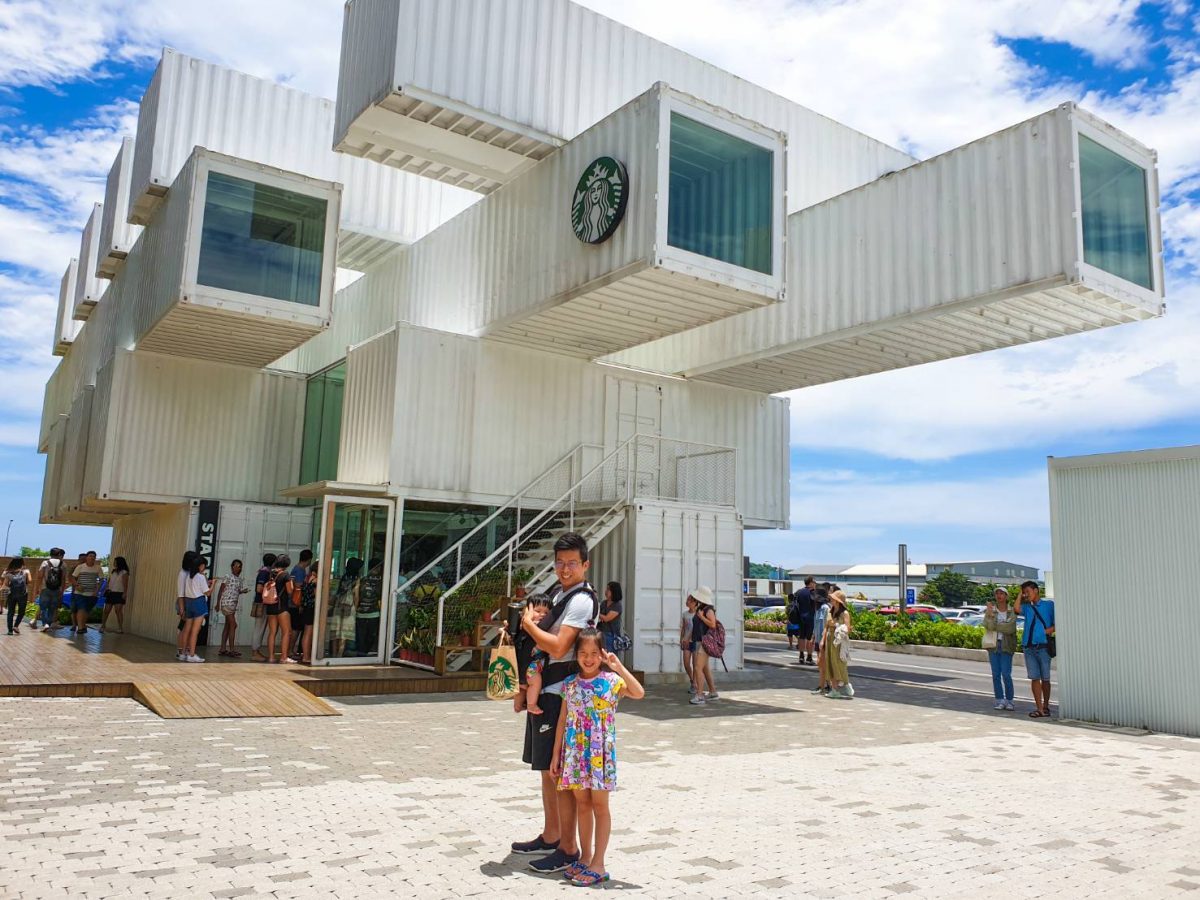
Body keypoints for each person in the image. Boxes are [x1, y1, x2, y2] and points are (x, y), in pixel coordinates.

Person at [512, 532, 600, 875]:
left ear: (585, 564)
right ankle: (551, 835)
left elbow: (560, 647)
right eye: (560, 562)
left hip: (562, 694)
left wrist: (528, 626)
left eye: (572, 563)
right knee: (546, 770)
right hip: (545, 690)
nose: (565, 569)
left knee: (559, 771)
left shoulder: (580, 600)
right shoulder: (559, 594)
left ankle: (567, 847)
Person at [550, 628, 645, 886]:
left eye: (594, 653)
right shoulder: (569, 684)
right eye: (583, 653)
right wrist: (556, 755)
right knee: (582, 804)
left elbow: (638, 692)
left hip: (600, 756)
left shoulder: (611, 681)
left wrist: (618, 667)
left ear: (602, 654)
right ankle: (586, 857)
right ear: (576, 654)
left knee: (600, 806)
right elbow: (562, 721)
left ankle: (599, 864)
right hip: (576, 754)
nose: (589, 658)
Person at [1015, 580, 1055, 718]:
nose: (1026, 595)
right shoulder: (1027, 607)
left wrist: (1050, 629)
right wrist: (1020, 594)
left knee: (1045, 679)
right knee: (1034, 678)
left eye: (1028, 592)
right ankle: (1039, 708)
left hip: (1043, 646)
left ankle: (1046, 706)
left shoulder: (1048, 605)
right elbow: (1016, 609)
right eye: (1024, 592)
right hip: (1029, 647)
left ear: (1036, 590)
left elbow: (1059, 621)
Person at [514, 593, 554, 715]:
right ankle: (530, 705)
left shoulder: (533, 626)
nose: (542, 615)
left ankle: (520, 705)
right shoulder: (527, 625)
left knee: (524, 687)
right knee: (534, 683)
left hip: (524, 666)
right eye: (538, 611)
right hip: (529, 666)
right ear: (528, 611)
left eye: (546, 612)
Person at [983, 587, 1018, 711]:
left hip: (1007, 645)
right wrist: (992, 616)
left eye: (1002, 593)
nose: (999, 595)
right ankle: (999, 700)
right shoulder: (991, 610)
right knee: (996, 674)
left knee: (1006, 674)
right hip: (993, 645)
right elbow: (988, 626)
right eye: (997, 593)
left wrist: (997, 626)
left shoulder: (1011, 610)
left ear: (1006, 596)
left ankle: (1010, 701)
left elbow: (1011, 629)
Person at [688, 586, 719, 705]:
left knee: (697, 668)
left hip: (705, 643)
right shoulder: (701, 608)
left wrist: (701, 617)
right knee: (705, 669)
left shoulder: (708, 610)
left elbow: (713, 624)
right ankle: (713, 692)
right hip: (699, 642)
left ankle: (700, 695)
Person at [180, 555, 213, 662]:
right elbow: (208, 593)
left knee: (187, 629)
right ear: (201, 566)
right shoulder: (201, 576)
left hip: (189, 603)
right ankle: (192, 654)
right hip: (199, 602)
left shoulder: (189, 575)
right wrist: (214, 584)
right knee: (195, 631)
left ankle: (183, 653)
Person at [328, 558, 362, 658]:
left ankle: (333, 655)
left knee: (335, 633)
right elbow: (356, 595)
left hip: (338, 606)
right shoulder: (356, 579)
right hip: (349, 608)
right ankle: (339, 656)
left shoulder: (343, 577)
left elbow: (336, 593)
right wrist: (356, 607)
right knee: (344, 635)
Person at [823, 590, 854, 699]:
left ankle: (846, 683)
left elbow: (848, 628)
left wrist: (836, 625)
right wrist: (823, 639)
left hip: (839, 640)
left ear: (837, 601)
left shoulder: (844, 613)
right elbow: (826, 626)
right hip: (830, 638)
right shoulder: (830, 611)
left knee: (840, 663)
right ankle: (834, 689)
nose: (830, 600)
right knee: (830, 663)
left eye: (833, 599)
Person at [265, 555, 295, 664]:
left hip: (271, 606)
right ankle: (284, 657)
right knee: (286, 632)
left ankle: (271, 657)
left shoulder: (272, 573)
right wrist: (292, 583)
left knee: (272, 632)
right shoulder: (285, 575)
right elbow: (290, 591)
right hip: (281, 607)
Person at [216, 559, 250, 657]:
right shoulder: (227, 576)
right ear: (232, 567)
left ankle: (223, 648)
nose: (237, 568)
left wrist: (243, 591)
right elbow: (221, 590)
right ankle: (232, 649)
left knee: (228, 625)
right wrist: (218, 603)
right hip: (226, 604)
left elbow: (235, 591)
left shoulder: (239, 579)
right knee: (233, 625)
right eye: (235, 566)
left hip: (233, 605)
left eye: (239, 566)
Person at [69, 550, 103, 635]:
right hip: (80, 593)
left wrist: (97, 590)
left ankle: (83, 626)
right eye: (90, 556)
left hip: (92, 593)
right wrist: (77, 585)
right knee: (81, 608)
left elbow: (101, 579)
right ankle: (80, 628)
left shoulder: (98, 568)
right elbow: (72, 578)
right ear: (87, 557)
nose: (92, 558)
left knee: (87, 611)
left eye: (93, 556)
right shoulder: (80, 567)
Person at [251, 552, 277, 661]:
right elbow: (259, 588)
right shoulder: (264, 573)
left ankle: (256, 650)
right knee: (259, 628)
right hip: (262, 603)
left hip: (262, 602)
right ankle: (255, 652)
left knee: (260, 627)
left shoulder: (265, 571)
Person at [355, 557, 383, 657]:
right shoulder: (381, 581)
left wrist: (356, 607)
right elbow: (381, 596)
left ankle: (361, 654)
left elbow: (357, 595)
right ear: (378, 567)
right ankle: (365, 653)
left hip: (361, 612)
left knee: (361, 636)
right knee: (371, 635)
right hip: (374, 612)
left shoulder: (363, 578)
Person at [287, 550, 312, 660]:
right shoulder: (300, 571)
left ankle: (290, 650)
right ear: (309, 559)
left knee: (295, 627)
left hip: (292, 602)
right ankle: (290, 650)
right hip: (296, 603)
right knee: (295, 628)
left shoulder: (295, 569)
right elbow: (298, 586)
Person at [37, 548, 67, 632]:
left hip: (45, 588)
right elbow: (64, 579)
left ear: (50, 554)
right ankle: (49, 624)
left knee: (43, 607)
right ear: (59, 555)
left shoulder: (45, 563)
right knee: (52, 608)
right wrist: (62, 590)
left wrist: (38, 587)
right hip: (57, 589)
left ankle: (45, 624)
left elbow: (40, 576)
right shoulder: (63, 564)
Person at [790, 576, 817, 664]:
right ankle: (809, 657)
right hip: (810, 618)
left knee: (801, 637)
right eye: (814, 582)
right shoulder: (813, 592)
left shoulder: (799, 592)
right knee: (810, 638)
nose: (815, 583)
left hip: (800, 618)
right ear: (811, 582)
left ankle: (801, 656)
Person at [99, 556, 130, 634]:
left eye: (115, 561)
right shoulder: (113, 571)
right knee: (106, 610)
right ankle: (103, 626)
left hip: (119, 593)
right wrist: (105, 589)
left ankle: (120, 628)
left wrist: (125, 593)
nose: (114, 563)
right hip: (110, 592)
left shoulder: (124, 572)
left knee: (118, 611)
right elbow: (109, 581)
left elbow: (126, 584)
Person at [810, 587, 832, 696]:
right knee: (820, 665)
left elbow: (826, 626)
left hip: (824, 640)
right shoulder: (818, 609)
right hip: (818, 640)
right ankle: (824, 685)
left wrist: (822, 639)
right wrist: (813, 637)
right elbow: (816, 624)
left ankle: (826, 686)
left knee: (823, 664)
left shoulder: (825, 608)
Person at [176, 551, 197, 660]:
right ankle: (180, 651)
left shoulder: (190, 573)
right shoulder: (183, 573)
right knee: (183, 627)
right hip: (184, 603)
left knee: (187, 628)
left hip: (190, 602)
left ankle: (185, 649)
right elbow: (180, 594)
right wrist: (182, 609)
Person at [3, 557, 32, 635]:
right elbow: (29, 581)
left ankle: (9, 630)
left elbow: (6, 584)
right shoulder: (26, 571)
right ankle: (16, 626)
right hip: (23, 594)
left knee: (10, 612)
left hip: (11, 594)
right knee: (21, 612)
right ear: (22, 562)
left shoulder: (8, 572)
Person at [298, 562, 318, 663]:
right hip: (311, 608)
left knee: (306, 632)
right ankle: (306, 656)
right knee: (309, 633)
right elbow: (317, 596)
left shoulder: (307, 578)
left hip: (306, 607)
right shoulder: (315, 580)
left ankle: (305, 655)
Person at [597, 582, 623, 654]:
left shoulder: (617, 605)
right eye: (606, 589)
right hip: (601, 632)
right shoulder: (604, 603)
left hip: (611, 635)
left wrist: (596, 612)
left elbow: (606, 618)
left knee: (609, 656)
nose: (606, 591)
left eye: (608, 589)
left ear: (614, 591)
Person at [680, 596, 696, 694]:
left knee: (695, 664)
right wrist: (681, 639)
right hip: (686, 641)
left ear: (694, 603)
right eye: (687, 600)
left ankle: (695, 685)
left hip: (695, 641)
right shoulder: (685, 614)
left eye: (689, 601)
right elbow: (683, 628)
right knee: (686, 663)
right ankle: (692, 680)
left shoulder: (698, 614)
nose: (687, 602)